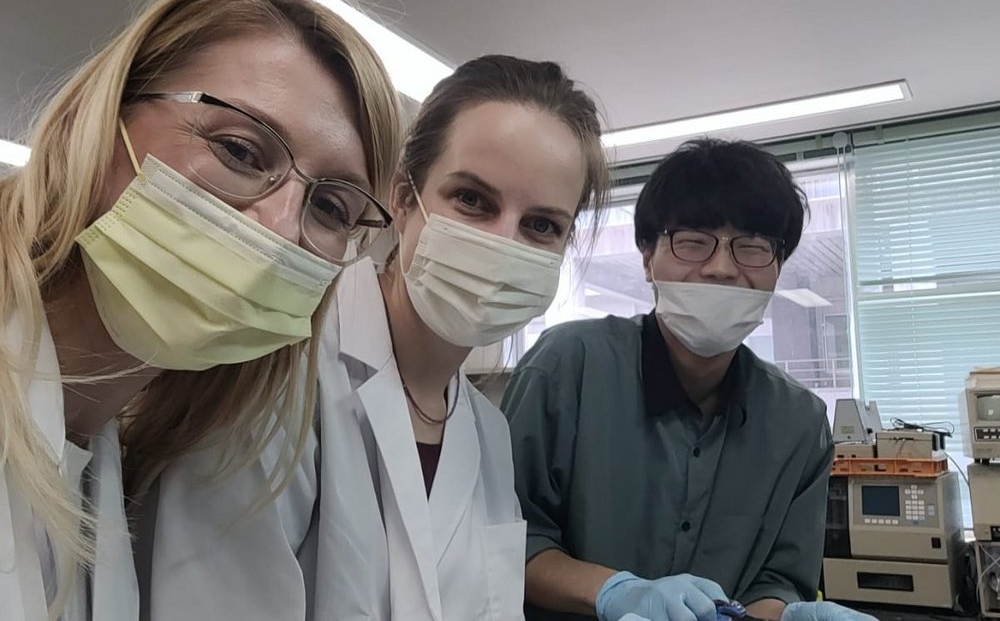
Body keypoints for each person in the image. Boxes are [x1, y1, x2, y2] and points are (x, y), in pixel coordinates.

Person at [138, 54, 611, 620]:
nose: (503, 242)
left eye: (541, 226)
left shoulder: (487, 433)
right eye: (472, 199)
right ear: (403, 199)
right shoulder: (275, 371)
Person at [0, 0, 401, 620]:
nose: (279, 229)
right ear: (97, 123)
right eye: (241, 151)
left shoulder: (98, 451)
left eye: (330, 206)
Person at [503, 139, 874, 621]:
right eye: (693, 241)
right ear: (646, 256)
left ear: (778, 265)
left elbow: (777, 580)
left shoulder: (799, 423)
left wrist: (780, 615)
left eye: (752, 247)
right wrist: (615, 592)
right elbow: (503, 539)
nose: (721, 269)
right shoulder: (568, 367)